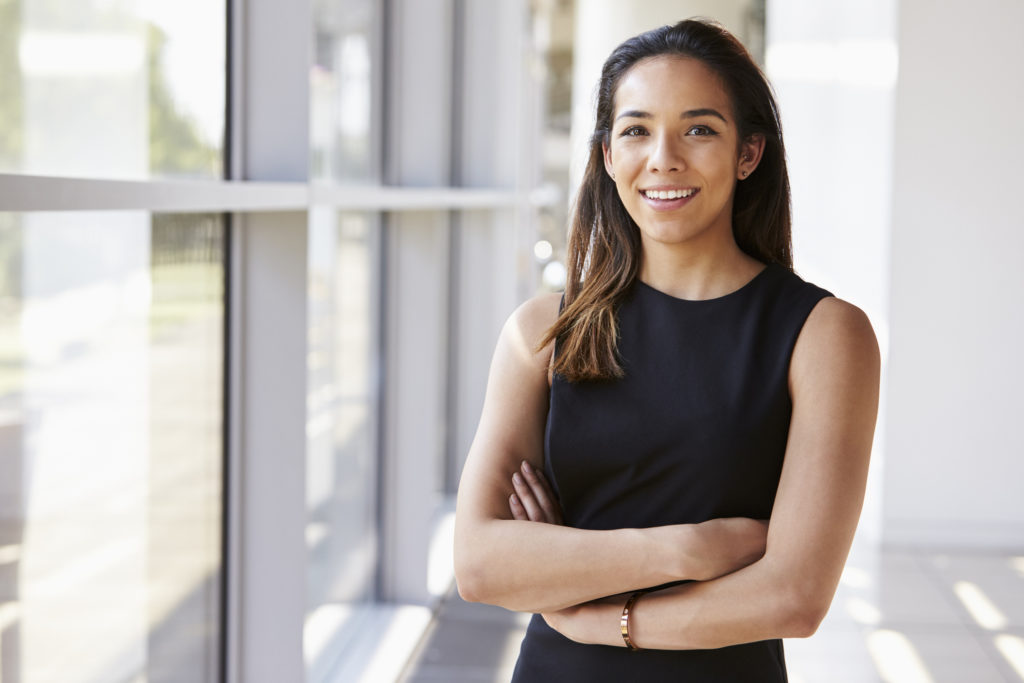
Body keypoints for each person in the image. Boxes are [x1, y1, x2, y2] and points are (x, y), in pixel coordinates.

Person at [453, 17, 879, 682]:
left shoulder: (824, 335)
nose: (664, 158)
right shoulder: (542, 332)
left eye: (700, 128)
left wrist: (587, 598)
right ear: (605, 155)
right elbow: (479, 563)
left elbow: (793, 596)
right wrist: (689, 548)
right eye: (636, 130)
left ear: (749, 153)